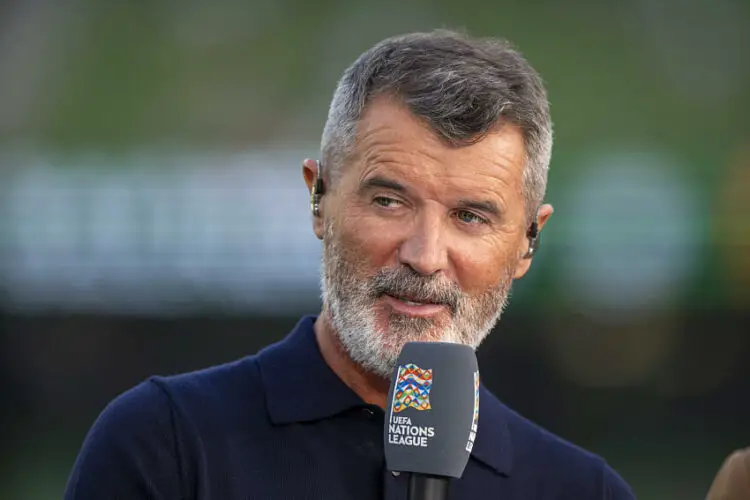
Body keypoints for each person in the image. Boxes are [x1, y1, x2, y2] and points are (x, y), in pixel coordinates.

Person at [64, 29, 636, 499]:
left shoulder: (585, 491)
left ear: (528, 243)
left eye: (470, 217)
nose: (425, 257)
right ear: (319, 199)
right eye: (389, 201)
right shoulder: (164, 444)